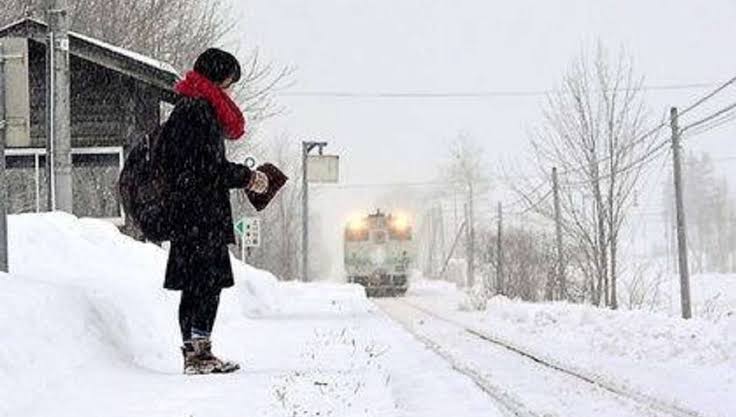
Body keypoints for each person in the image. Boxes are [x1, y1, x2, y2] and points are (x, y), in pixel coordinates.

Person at [158, 48, 269, 375]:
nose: (230, 91)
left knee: (194, 285)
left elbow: (188, 165)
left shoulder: (184, 108)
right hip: (201, 215)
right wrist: (248, 177)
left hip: (185, 215)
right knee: (206, 284)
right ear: (218, 79)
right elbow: (208, 168)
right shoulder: (201, 111)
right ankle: (200, 355)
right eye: (230, 83)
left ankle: (193, 354)